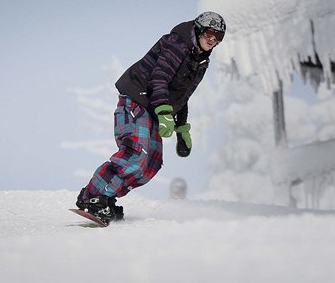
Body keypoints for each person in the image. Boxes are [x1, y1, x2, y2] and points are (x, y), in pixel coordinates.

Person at [75, 12, 226, 224]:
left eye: (219, 37)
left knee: (151, 164)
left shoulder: (200, 60)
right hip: (138, 100)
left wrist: (182, 129)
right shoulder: (178, 43)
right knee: (137, 153)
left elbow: (182, 95)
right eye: (210, 33)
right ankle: (92, 198)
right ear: (199, 29)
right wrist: (164, 112)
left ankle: (106, 198)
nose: (213, 40)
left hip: (154, 108)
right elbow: (159, 77)